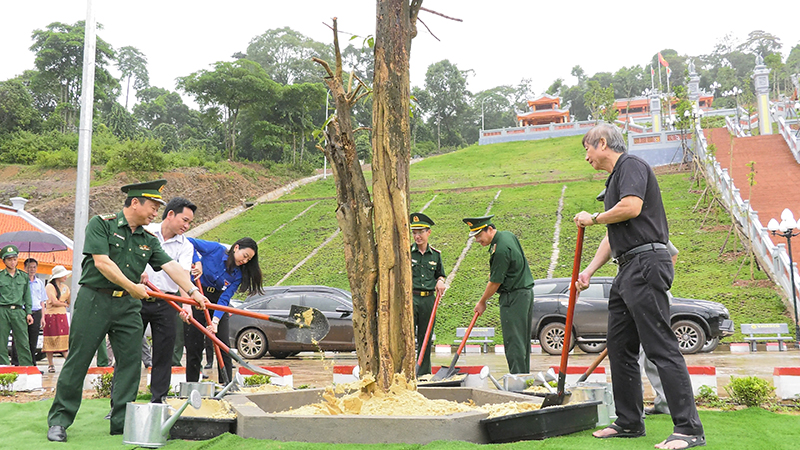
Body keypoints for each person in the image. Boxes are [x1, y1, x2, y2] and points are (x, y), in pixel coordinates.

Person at [572, 123, 704, 449]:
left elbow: (631, 208)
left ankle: (688, 429)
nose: (586, 156)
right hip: (626, 267)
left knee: (660, 347)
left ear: (602, 143)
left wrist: (595, 217)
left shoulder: (631, 165)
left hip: (645, 264)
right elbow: (613, 234)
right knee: (619, 347)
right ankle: (629, 422)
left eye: (587, 148)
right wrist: (588, 270)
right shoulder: (614, 179)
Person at [46, 180, 209, 442]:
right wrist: (132, 286)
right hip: (95, 301)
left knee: (131, 364)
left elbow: (170, 266)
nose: (156, 213)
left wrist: (192, 292)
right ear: (135, 203)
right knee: (79, 359)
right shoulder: (101, 224)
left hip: (127, 307)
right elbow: (102, 262)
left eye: (158, 208)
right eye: (153, 207)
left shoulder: (148, 239)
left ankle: (122, 422)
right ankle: (59, 421)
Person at [140, 196, 198, 403]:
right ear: (170, 214)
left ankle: (158, 401)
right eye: (184, 220)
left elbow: (182, 276)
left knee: (163, 354)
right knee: (128, 351)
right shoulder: (145, 231)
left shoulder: (186, 245)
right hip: (138, 297)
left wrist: (187, 306)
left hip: (167, 301)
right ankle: (120, 404)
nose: (186, 225)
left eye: (189, 223)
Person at [185, 237, 263, 384]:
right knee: (194, 347)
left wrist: (215, 321)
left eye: (249, 260)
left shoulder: (238, 275)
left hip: (217, 302)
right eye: (245, 256)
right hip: (197, 295)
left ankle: (226, 384)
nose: (245, 261)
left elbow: (224, 298)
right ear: (236, 248)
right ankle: (192, 386)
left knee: (223, 346)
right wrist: (197, 262)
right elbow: (188, 241)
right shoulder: (215, 249)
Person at [463, 215, 534, 374]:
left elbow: (495, 283)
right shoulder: (508, 236)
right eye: (475, 236)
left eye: (479, 235)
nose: (477, 240)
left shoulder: (499, 249)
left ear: (489, 229)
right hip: (525, 293)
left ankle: (517, 379)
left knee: (514, 341)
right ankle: (523, 376)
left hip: (513, 297)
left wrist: (482, 302)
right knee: (522, 340)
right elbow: (513, 264)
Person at [410, 213, 447, 375]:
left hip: (428, 300)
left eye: (421, 232)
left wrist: (440, 280)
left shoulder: (436, 255)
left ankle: (423, 373)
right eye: (414, 232)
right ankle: (407, 372)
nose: (417, 236)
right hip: (411, 298)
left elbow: (440, 274)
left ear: (428, 232)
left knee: (426, 337)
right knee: (408, 337)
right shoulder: (407, 253)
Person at [0, 245, 34, 367]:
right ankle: (3, 367)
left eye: (14, 259)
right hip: (2, 310)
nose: (12, 262)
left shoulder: (24, 276)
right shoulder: (0, 276)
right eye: (9, 259)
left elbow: (27, 296)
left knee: (23, 342)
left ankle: (27, 367)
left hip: (19, 311)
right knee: (1, 341)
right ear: (4, 261)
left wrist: (29, 312)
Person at [11, 258, 47, 367]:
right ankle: (16, 363)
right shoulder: (20, 281)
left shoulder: (39, 282)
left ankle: (31, 364)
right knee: (19, 338)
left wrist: (43, 317)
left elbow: (42, 301)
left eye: (34, 267)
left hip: (36, 312)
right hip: (22, 311)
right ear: (24, 268)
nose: (32, 269)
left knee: (33, 339)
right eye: (29, 267)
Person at [43, 265, 72, 373]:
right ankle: (51, 364)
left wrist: (63, 304)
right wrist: (63, 304)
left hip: (62, 315)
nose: (65, 276)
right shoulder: (50, 287)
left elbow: (69, 301)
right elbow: (54, 301)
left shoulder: (65, 287)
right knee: (50, 339)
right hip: (51, 316)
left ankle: (67, 361)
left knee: (64, 339)